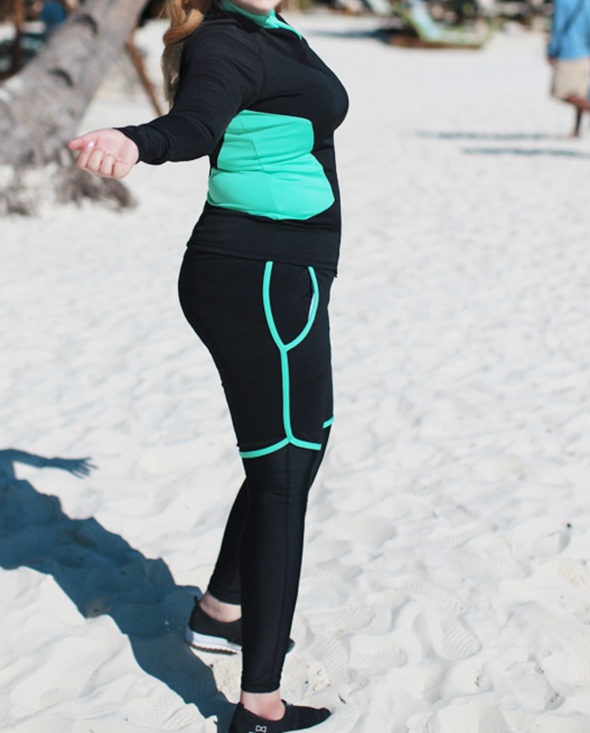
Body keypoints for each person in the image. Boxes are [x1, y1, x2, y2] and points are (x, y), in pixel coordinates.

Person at [67, 1, 348, 731]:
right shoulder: (227, 40)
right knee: (284, 473)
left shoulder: (270, 29)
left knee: (299, 450)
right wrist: (135, 141)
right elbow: (194, 125)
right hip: (261, 276)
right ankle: (259, 704)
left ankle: (221, 610)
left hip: (285, 273)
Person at [547, 0, 590, 138]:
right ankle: (576, 131)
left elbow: (557, 27)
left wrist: (552, 50)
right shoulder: (587, 2)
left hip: (567, 52)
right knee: (579, 95)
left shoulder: (561, 2)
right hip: (585, 53)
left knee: (559, 92)